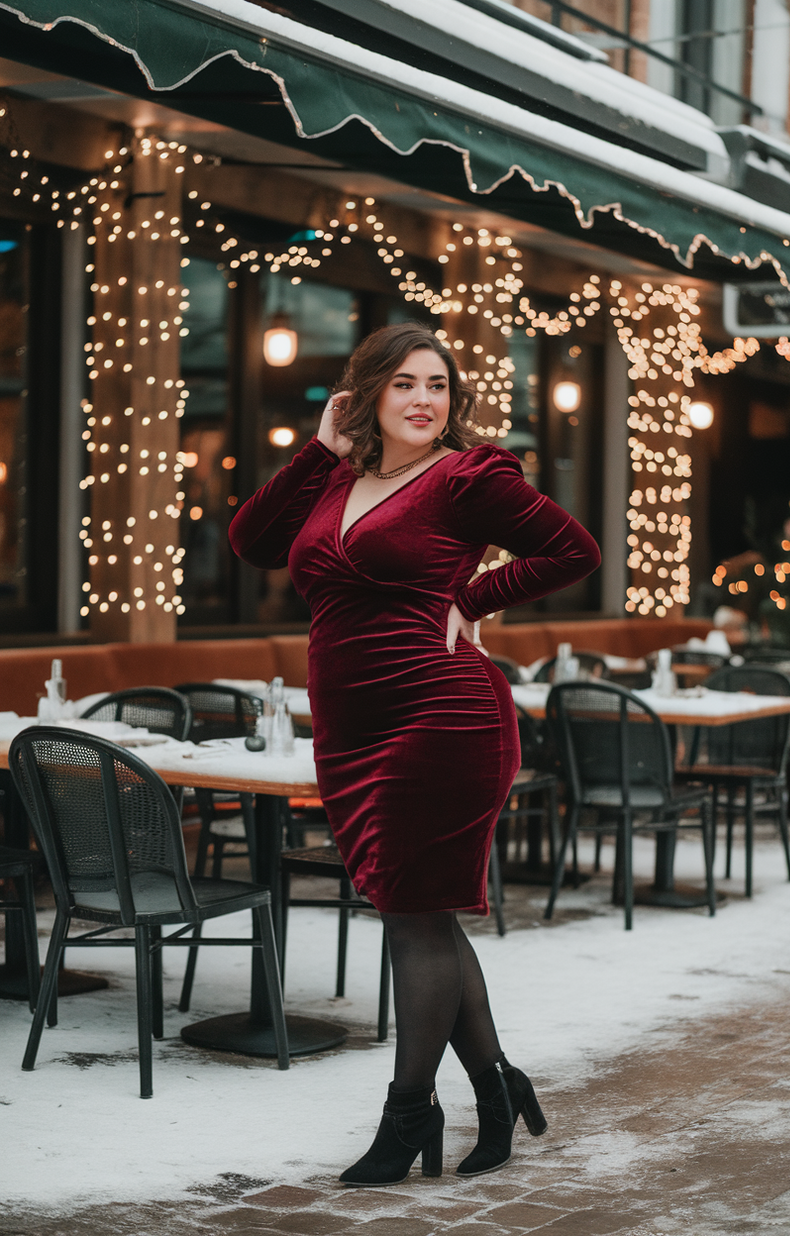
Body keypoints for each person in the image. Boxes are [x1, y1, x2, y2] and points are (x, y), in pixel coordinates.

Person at [229, 322, 600, 1186]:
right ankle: (498, 1091)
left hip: (444, 713)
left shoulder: (470, 477)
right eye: (404, 384)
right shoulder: (338, 479)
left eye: (438, 384)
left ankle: (405, 1120)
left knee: (409, 911)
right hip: (352, 725)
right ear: (366, 396)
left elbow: (571, 548)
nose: (425, 400)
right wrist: (316, 452)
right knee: (420, 910)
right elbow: (251, 543)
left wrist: (477, 595)